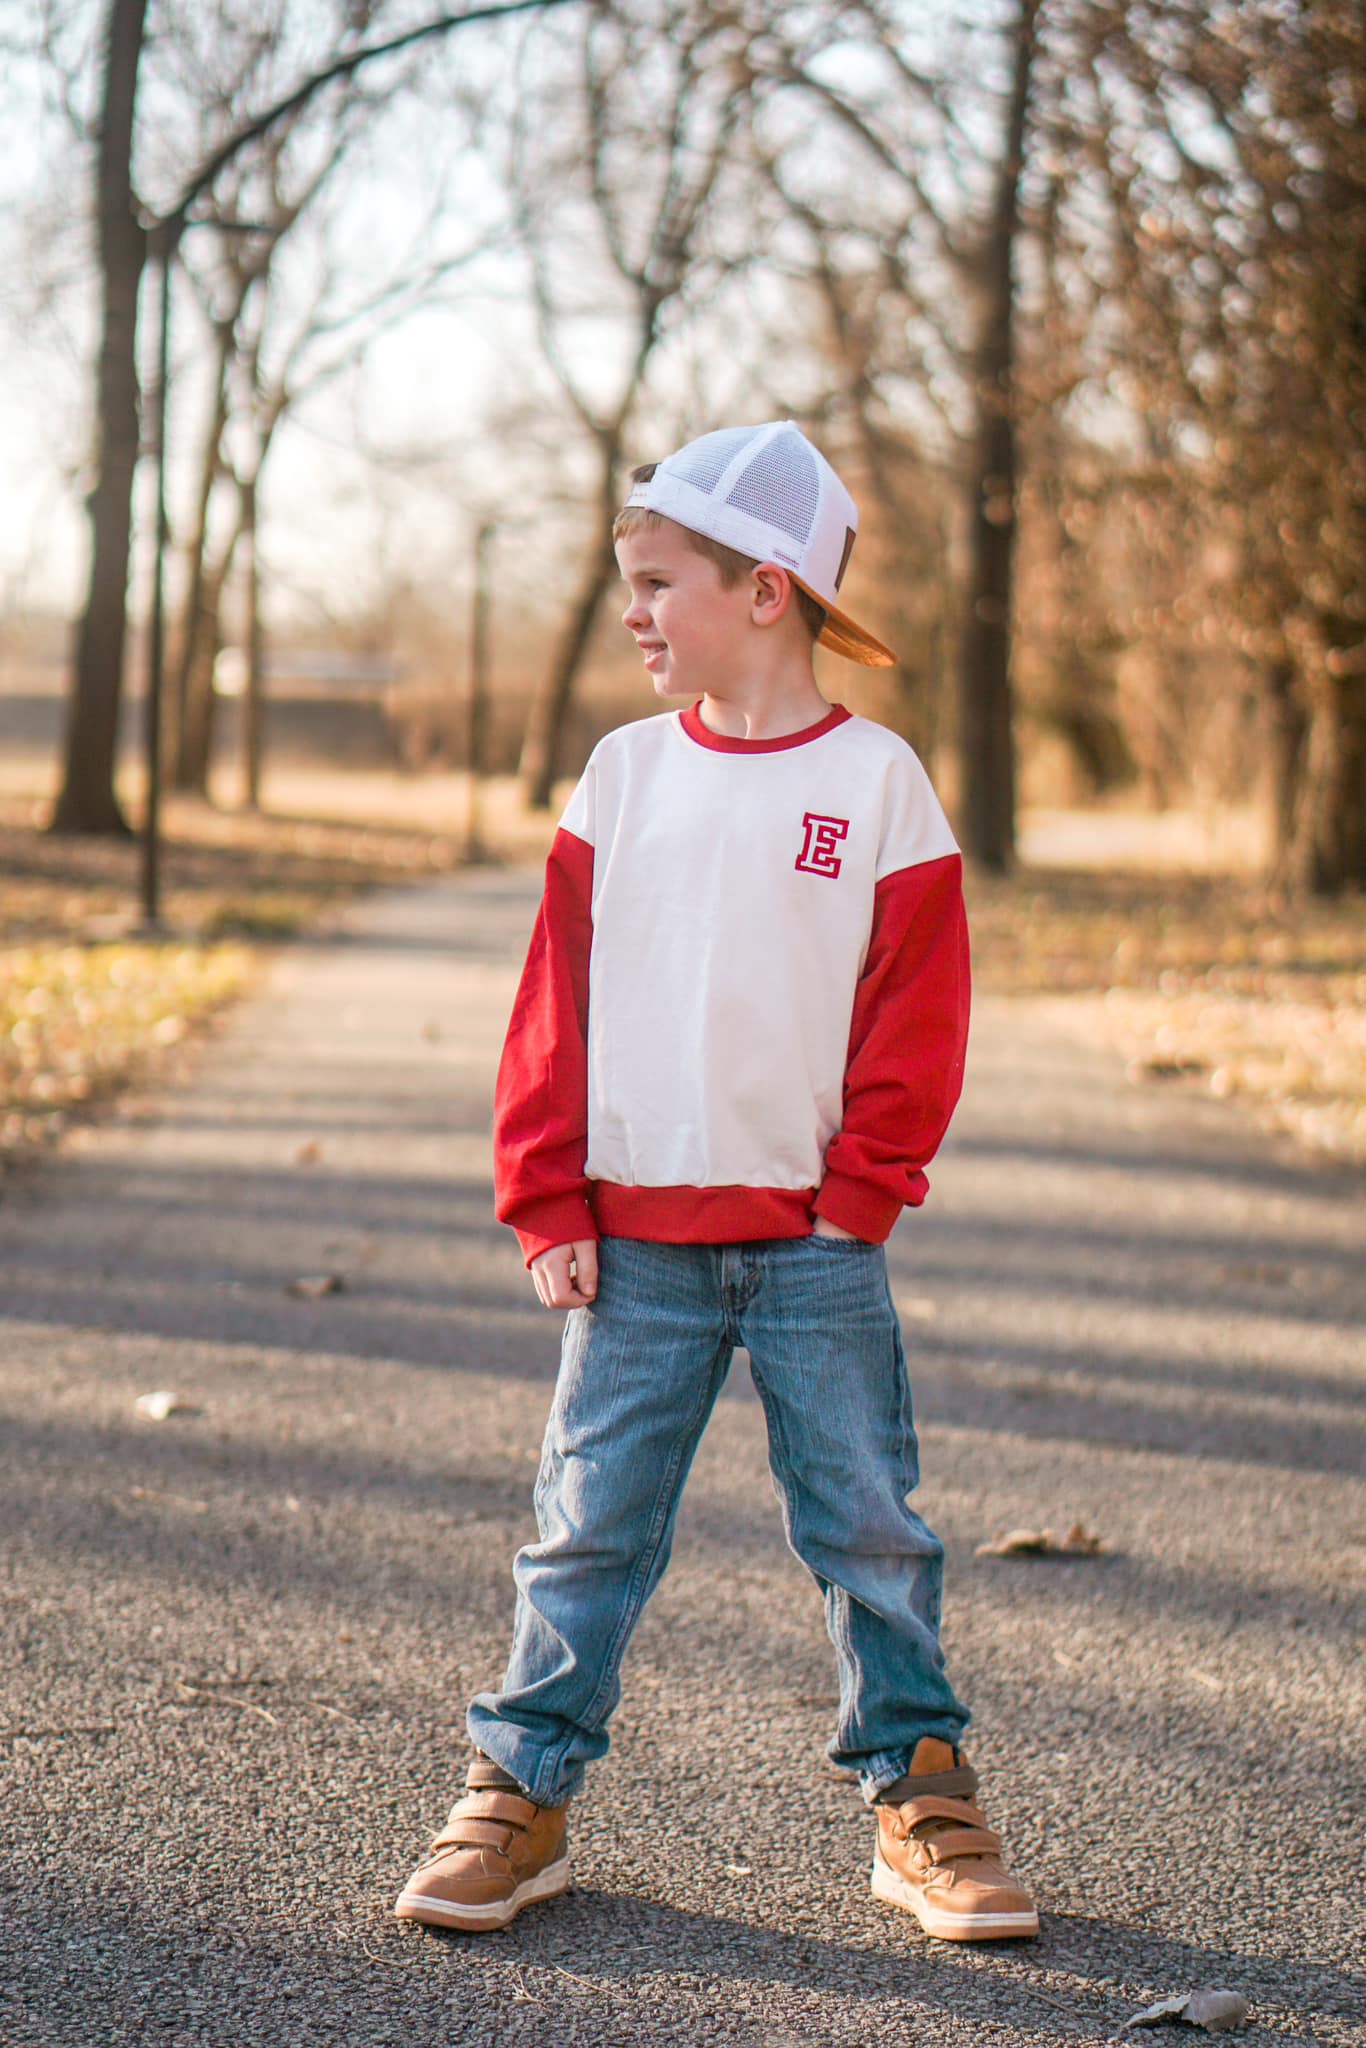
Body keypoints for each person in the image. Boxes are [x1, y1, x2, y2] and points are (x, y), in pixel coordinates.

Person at [394, 421, 1038, 1943]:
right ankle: (520, 1787)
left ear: (765, 592)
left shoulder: (879, 783)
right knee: (588, 1524)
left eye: (654, 582)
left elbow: (914, 1002)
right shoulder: (621, 774)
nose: (632, 611)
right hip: (631, 1242)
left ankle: (920, 1795)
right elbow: (552, 995)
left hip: (816, 1244)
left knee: (868, 1529)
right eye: (627, 584)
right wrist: (544, 1195)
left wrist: (863, 1191)